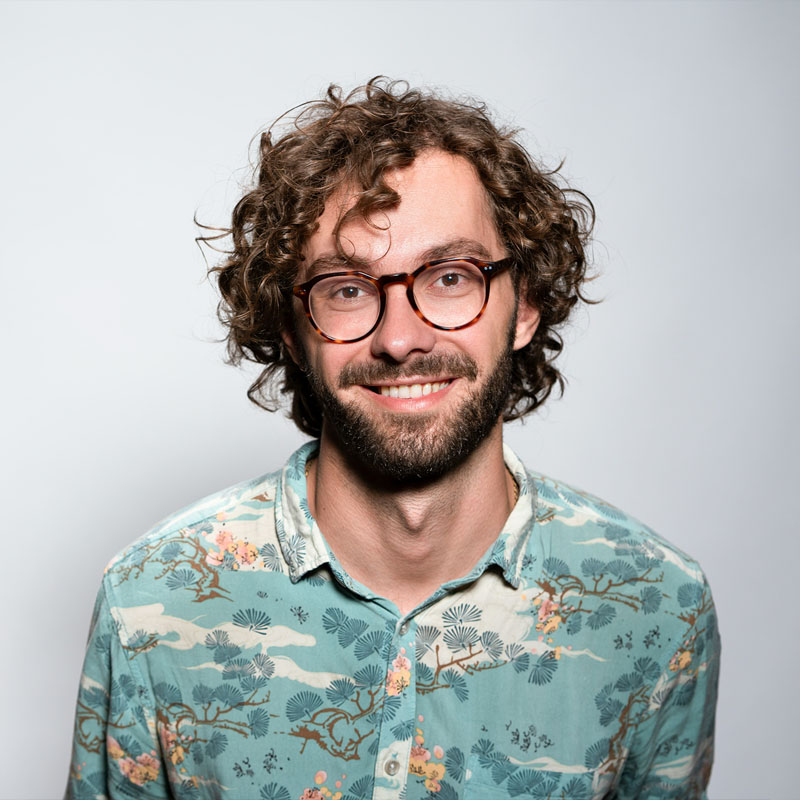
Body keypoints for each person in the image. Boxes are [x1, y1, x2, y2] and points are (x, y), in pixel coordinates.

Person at [66, 78, 719, 799]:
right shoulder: (152, 601)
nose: (400, 339)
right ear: (290, 329)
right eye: (346, 288)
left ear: (525, 304)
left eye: (450, 276)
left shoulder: (658, 608)